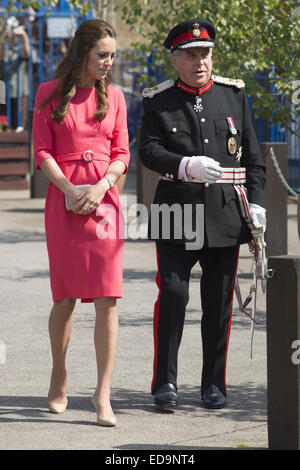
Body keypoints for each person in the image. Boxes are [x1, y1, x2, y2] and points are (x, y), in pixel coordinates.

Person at [139, 19, 266, 410]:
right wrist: (185, 165)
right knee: (174, 295)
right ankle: (165, 383)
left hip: (225, 214)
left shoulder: (233, 96)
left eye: (206, 53)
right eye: (191, 55)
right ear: (175, 59)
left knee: (218, 301)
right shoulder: (159, 101)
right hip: (176, 211)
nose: (200, 61)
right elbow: (148, 150)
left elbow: (254, 159)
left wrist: (258, 205)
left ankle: (213, 384)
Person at [32, 19, 130, 426]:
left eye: (112, 55)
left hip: (105, 204)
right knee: (66, 298)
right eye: (102, 55)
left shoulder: (118, 97)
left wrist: (103, 184)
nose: (108, 62)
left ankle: (102, 394)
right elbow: (40, 150)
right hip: (64, 202)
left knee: (108, 300)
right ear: (82, 53)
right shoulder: (47, 93)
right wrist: (72, 190)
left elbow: (123, 151)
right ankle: (59, 375)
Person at [0, 16, 30, 131]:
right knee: (4, 120)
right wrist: (4, 37)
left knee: (19, 122)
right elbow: (2, 57)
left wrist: (24, 37)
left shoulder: (19, 48)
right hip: (4, 89)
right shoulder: (4, 48)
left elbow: (26, 54)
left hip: (20, 89)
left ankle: (20, 133)